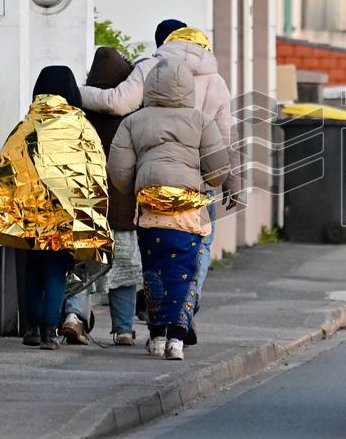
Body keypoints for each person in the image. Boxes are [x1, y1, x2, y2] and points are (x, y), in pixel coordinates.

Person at [81, 19, 238, 344]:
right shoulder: (216, 81)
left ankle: (159, 323)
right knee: (198, 251)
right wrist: (227, 180)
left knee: (152, 258)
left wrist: (73, 91)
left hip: (150, 189)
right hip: (198, 188)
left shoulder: (150, 69)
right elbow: (223, 141)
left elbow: (118, 104)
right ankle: (185, 308)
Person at [0, 66, 112, 350]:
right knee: (56, 271)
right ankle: (50, 330)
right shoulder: (82, 129)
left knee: (33, 268)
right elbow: (95, 174)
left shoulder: (25, 126)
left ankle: (32, 327)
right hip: (66, 218)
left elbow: (5, 169)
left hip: (29, 217)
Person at [108, 58, 230, 361]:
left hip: (150, 211)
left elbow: (119, 171)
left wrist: (139, 186)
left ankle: (157, 335)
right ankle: (176, 338)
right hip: (188, 212)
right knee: (184, 272)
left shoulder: (133, 121)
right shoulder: (201, 121)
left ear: (150, 86)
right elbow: (218, 171)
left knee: (154, 271)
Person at [61, 47, 144, 346]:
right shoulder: (134, 116)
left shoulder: (77, 112)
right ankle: (123, 330)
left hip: (87, 206)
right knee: (125, 271)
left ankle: (74, 318)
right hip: (123, 207)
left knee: (82, 267)